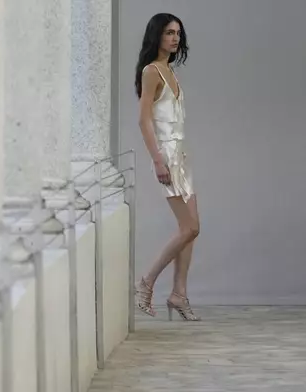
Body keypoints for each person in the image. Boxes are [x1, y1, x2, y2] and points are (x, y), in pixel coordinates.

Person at [134, 13, 201, 321]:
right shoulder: (151, 72)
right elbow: (144, 119)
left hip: (181, 155)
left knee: (189, 231)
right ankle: (146, 283)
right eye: (169, 33)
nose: (175, 38)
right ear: (156, 36)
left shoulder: (170, 70)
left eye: (177, 33)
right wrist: (157, 160)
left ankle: (179, 294)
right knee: (190, 228)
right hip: (167, 156)